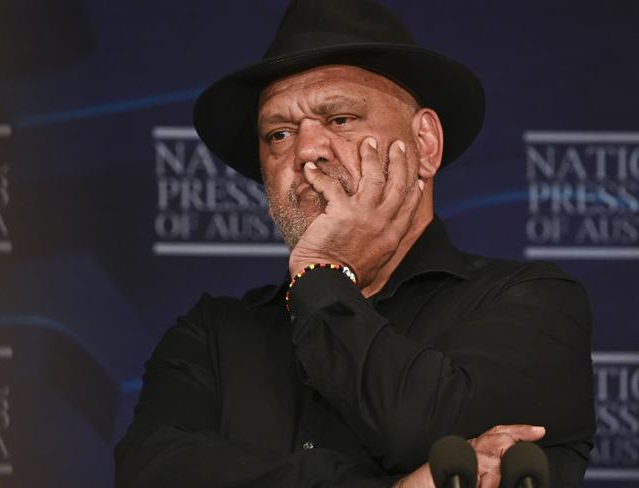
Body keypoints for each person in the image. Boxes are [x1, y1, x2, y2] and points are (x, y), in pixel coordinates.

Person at [115, 1, 596, 486]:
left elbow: (421, 428)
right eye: (278, 134)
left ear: (425, 143)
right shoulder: (213, 335)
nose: (306, 151)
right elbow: (149, 472)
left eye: (340, 119)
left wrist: (323, 273)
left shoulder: (532, 302)